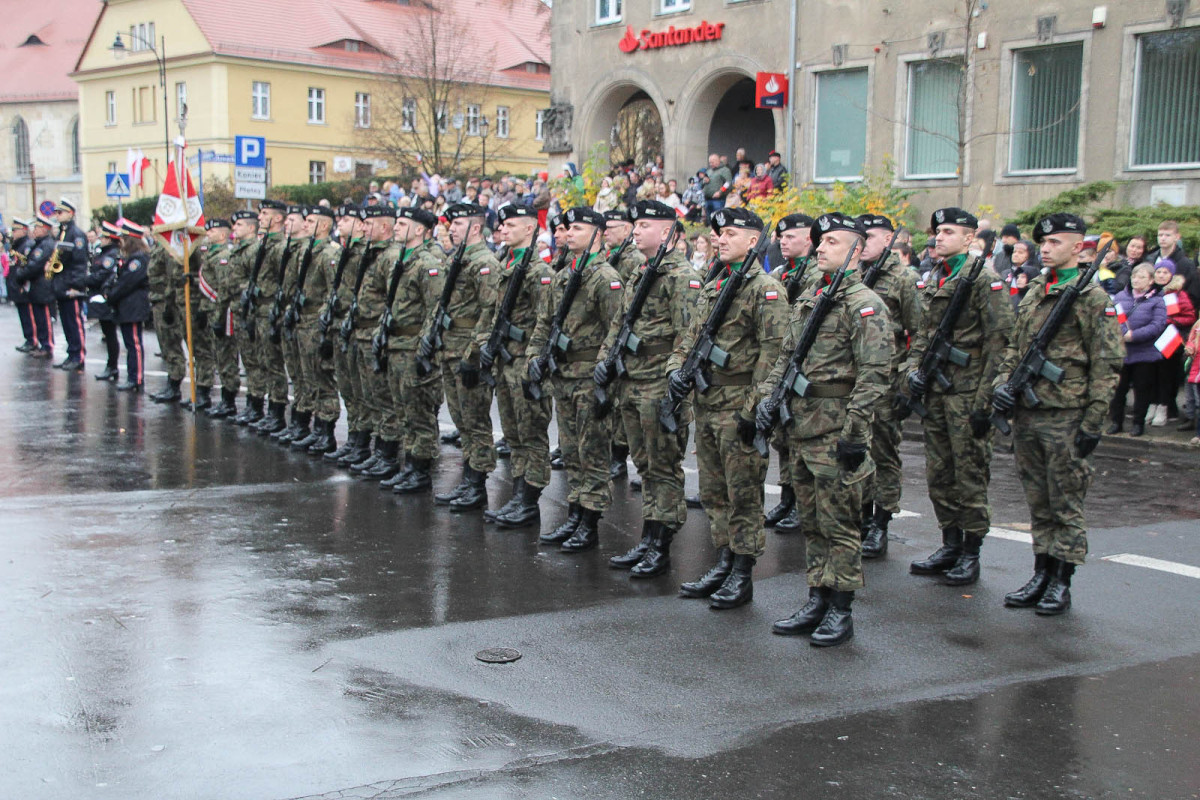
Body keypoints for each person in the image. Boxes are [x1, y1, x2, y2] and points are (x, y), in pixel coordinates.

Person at [763, 212, 891, 646]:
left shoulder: (864, 305)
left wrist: (855, 434)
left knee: (840, 525)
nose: (820, 247)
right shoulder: (813, 296)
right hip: (801, 426)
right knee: (813, 523)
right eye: (820, 241)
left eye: (832, 241)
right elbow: (787, 355)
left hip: (835, 431)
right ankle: (817, 598)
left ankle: (841, 609)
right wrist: (769, 401)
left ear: (856, 250)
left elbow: (874, 375)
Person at [991, 213, 1123, 615]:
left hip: (1067, 414)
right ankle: (1041, 572)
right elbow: (1015, 348)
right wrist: (1003, 383)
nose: (1045, 249)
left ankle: (1061, 581)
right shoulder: (1036, 290)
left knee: (1065, 501)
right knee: (1039, 500)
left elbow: (1107, 365)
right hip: (1028, 411)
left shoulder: (1092, 298)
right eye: (1043, 243)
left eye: (1055, 243)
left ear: (1078, 248)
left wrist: (1093, 423)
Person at [671, 207, 787, 609]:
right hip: (707, 404)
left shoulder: (765, 289)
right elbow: (692, 336)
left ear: (753, 241)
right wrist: (675, 371)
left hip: (739, 407)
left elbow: (774, 355)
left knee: (744, 495)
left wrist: (754, 410)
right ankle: (723, 561)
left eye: (731, 233)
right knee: (713, 492)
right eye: (718, 233)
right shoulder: (715, 282)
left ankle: (742, 572)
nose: (720, 239)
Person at [904, 207, 1014, 587]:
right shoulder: (937, 275)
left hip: (968, 394)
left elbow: (1000, 343)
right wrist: (913, 371)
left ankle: (971, 552)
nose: (939, 237)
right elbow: (924, 334)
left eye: (949, 232)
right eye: (938, 231)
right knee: (939, 473)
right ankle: (949, 543)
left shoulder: (984, 279)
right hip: (937, 390)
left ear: (970, 239)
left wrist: (985, 403)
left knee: (970, 475)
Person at [597, 200, 697, 577]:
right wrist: (605, 361)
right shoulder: (642, 271)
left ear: (667, 232)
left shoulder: (681, 276)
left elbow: (688, 335)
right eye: (635, 225)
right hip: (632, 381)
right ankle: (648, 536)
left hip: (659, 384)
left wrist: (675, 388)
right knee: (645, 466)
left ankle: (662, 544)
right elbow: (620, 324)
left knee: (663, 466)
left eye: (644, 226)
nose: (636, 231)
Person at [528, 207, 625, 552]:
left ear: (597, 234)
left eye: (578, 228)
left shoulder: (606, 278)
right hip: (564, 375)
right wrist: (534, 357)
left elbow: (616, 331)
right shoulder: (564, 275)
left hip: (589, 377)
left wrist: (606, 381)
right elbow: (545, 322)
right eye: (567, 228)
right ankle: (575, 513)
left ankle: (590, 522)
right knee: (571, 451)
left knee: (593, 451)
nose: (568, 233)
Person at [483, 205, 557, 528]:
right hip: (505, 361)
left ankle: (529, 501)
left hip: (525, 364)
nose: (504, 230)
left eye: (512, 225)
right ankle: (518, 494)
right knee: (513, 434)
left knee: (531, 435)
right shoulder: (506, 265)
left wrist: (535, 364)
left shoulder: (539, 272)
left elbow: (546, 321)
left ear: (530, 229)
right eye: (503, 225)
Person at [423, 203, 499, 511]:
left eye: (457, 224)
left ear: (476, 228)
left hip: (468, 352)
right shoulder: (458, 258)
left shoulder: (485, 263)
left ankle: (477, 485)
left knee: (475, 421)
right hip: (449, 348)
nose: (451, 229)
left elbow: (490, 313)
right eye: (450, 224)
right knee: (461, 421)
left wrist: (474, 354)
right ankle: (468, 480)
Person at [856, 214, 922, 559]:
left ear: (888, 239)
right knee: (857, 450)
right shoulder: (855, 275)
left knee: (883, 453)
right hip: (856, 380)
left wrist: (907, 383)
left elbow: (919, 332)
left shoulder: (904, 278)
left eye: (869, 236)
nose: (862, 242)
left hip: (887, 379)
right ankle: (862, 518)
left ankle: (880, 524)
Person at [377, 207, 447, 492]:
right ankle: (409, 466)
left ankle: (421, 470)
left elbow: (436, 309)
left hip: (414, 347)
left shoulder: (427, 264)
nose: (396, 227)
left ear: (419, 230)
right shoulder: (402, 261)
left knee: (419, 413)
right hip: (396, 346)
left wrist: (424, 349)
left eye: (403, 223)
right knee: (403, 411)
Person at [764, 213, 815, 535]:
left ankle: (799, 502)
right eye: (781, 237)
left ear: (809, 239)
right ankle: (786, 497)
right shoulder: (780, 273)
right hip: (780, 360)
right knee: (782, 436)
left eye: (791, 236)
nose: (783, 242)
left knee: (797, 437)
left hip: (804, 364)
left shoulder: (817, 276)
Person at [288, 206, 342, 454]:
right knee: (308, 377)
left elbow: (334, 292)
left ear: (324, 225)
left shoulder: (330, 253)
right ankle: (316, 429)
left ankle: (326, 432)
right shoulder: (307, 251)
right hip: (303, 319)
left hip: (317, 323)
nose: (305, 224)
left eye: (311, 221)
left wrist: (326, 329)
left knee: (323, 378)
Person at [1107, 264, 1167, 436]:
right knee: (1118, 390)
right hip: (1121, 351)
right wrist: (1122, 333)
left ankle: (1138, 423)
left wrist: (1134, 335)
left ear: (1151, 281)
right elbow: (1111, 317)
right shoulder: (1120, 296)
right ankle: (1116, 422)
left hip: (1145, 353)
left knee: (1142, 390)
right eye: (1134, 276)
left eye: (1141, 277)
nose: (1136, 280)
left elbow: (1157, 325)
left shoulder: (1158, 301)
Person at [248, 199, 292, 434]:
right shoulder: (264, 244)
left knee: (274, 364)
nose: (260, 217)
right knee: (264, 361)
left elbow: (286, 283)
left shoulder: (280, 247)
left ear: (277, 218)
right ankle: (270, 411)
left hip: (272, 312)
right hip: (260, 310)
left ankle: (277, 412)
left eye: (265, 213)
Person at [198, 219, 242, 418]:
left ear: (223, 235)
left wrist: (220, 316)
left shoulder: (224, 256)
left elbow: (224, 288)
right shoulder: (211, 254)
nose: (208, 233)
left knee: (226, 357)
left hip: (221, 312)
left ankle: (229, 400)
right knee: (217, 354)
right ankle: (224, 399)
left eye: (212, 231)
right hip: (211, 310)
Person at [229, 209, 267, 425]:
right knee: (249, 361)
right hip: (239, 309)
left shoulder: (254, 250)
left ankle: (257, 405)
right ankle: (252, 404)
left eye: (239, 225)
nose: (235, 228)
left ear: (252, 228)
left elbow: (257, 282)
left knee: (255, 361)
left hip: (251, 311)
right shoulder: (239, 249)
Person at [1146, 261, 1196, 426]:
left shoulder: (1178, 294)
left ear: (1172, 275)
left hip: (1170, 340)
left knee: (1166, 375)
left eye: (1165, 272)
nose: (1161, 275)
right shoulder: (1149, 292)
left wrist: (1169, 320)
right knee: (1151, 374)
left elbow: (1190, 317)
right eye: (1158, 272)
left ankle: (1164, 407)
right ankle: (1152, 405)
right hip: (1150, 339)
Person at [106, 220, 152, 391]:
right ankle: (133, 376)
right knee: (130, 343)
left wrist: (111, 296)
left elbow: (126, 283)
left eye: (123, 239)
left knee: (134, 344)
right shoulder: (132, 258)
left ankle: (136, 378)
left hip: (133, 305)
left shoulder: (138, 259)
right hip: (128, 306)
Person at [50, 199, 89, 371]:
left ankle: (78, 356)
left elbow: (80, 263)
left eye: (60, 212)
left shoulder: (76, 234)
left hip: (71, 286)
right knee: (66, 323)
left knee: (74, 323)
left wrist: (76, 286)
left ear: (70, 213)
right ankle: (71, 353)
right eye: (56, 213)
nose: (57, 215)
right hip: (61, 284)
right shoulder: (62, 233)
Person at [17, 215, 58, 359]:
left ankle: (47, 346)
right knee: (39, 318)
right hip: (37, 286)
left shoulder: (46, 245)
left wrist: (21, 274)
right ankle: (43, 344)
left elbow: (35, 265)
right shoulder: (39, 243)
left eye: (37, 227)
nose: (34, 230)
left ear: (45, 229)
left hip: (43, 286)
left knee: (44, 318)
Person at [87, 222, 123, 381]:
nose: (100, 240)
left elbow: (103, 275)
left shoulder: (110, 255)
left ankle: (112, 366)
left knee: (110, 334)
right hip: (100, 296)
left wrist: (85, 280)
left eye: (103, 237)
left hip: (106, 297)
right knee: (108, 333)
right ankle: (111, 366)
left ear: (109, 239)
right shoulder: (104, 253)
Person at [700, 154, 732, 221]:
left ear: (718, 161)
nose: (711, 164)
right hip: (707, 199)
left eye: (712, 162)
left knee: (717, 218)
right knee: (709, 219)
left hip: (718, 200)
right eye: (710, 162)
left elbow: (728, 183)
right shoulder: (709, 171)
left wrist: (720, 192)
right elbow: (701, 183)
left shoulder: (725, 170)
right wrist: (704, 180)